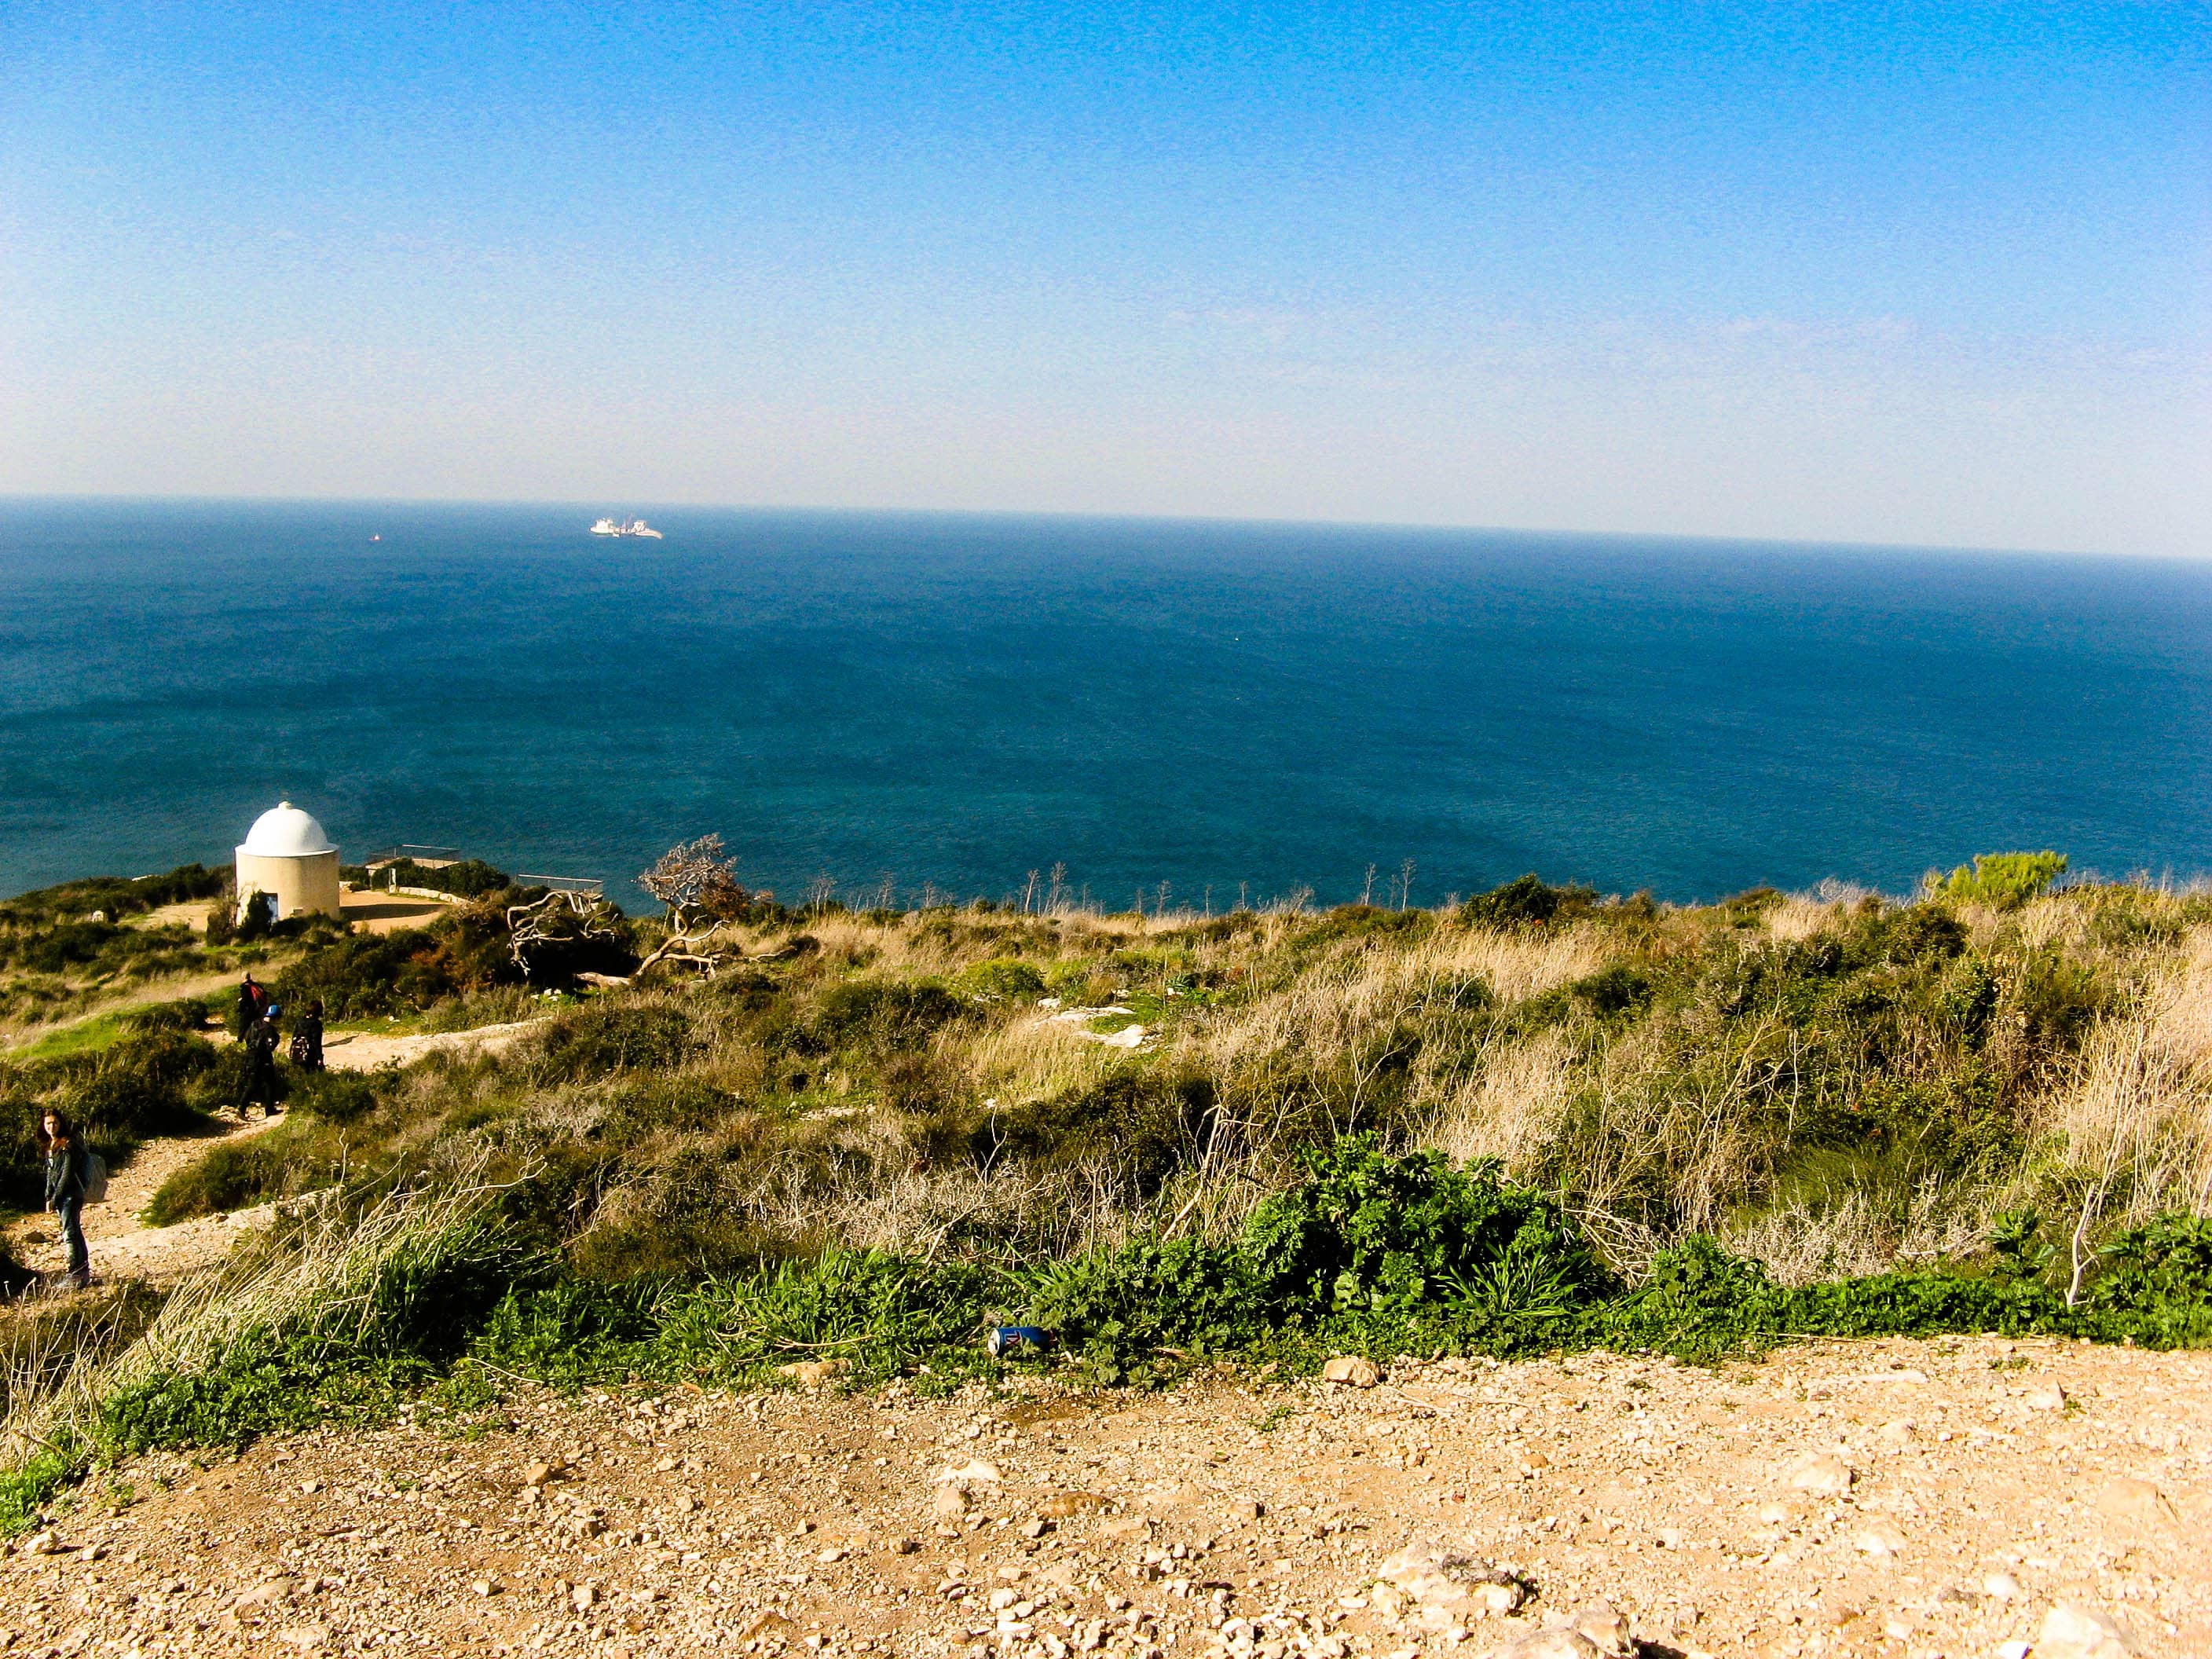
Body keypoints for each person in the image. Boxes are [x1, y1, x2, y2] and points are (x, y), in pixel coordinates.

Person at [38, 1110, 91, 1289]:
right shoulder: (50, 1145)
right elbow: (50, 1174)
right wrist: (48, 1196)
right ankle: (82, 1273)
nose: (51, 1127)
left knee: (70, 1233)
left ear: (61, 1124)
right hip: (62, 1196)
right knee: (74, 1231)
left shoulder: (68, 1145)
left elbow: (66, 1175)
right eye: (48, 1124)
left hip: (71, 1195)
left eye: (54, 1123)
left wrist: (55, 1198)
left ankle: (75, 1273)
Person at [238, 1007, 284, 1119]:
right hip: (263, 1059)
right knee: (266, 1083)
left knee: (256, 1082)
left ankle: (268, 1108)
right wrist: (276, 1039)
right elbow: (270, 1047)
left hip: (250, 1056)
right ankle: (243, 1108)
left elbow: (247, 1038)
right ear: (276, 1017)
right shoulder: (269, 1030)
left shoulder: (255, 1023)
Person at [291, 998, 325, 1072]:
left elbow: (294, 1038)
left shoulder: (299, 1021)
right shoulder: (317, 1024)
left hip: (298, 1053)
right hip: (310, 1055)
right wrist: (320, 1058)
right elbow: (316, 1042)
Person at [236, 972, 268, 1038]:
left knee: (243, 1025)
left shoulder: (245, 987)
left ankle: (240, 1040)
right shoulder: (257, 985)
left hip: (249, 1010)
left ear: (243, 977)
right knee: (257, 1025)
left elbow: (246, 1000)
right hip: (258, 1009)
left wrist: (240, 1008)